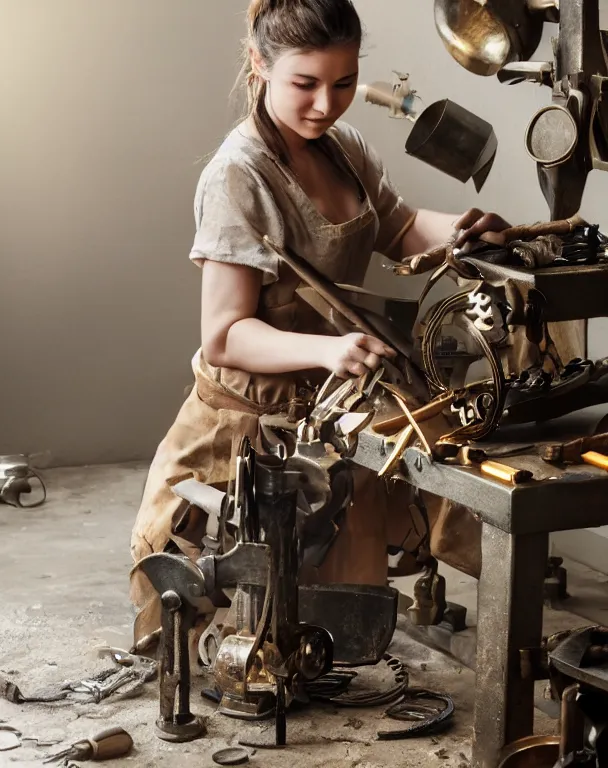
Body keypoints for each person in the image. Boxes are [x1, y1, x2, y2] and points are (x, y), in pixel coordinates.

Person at [129, 0, 512, 649]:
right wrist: (331, 349)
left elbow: (396, 225)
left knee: (332, 637)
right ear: (259, 63)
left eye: (342, 83)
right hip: (246, 429)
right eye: (304, 84)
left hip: (332, 414)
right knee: (219, 628)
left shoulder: (342, 147)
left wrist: (465, 232)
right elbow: (225, 336)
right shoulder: (239, 176)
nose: (325, 105)